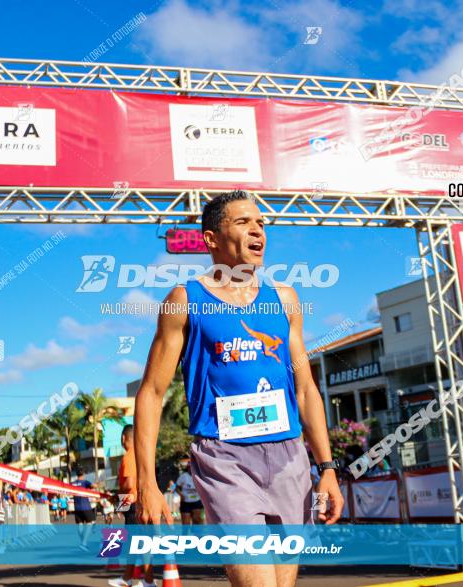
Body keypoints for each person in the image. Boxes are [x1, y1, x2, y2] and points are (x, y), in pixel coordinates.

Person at [134, 190, 344, 587]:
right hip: (223, 458)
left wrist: (327, 467)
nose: (257, 230)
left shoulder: (284, 299)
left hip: (287, 456)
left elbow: (305, 389)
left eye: (261, 223)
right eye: (243, 222)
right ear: (211, 239)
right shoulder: (185, 300)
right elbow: (152, 393)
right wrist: (148, 482)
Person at [109, 424, 155, 587]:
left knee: (135, 544)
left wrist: (117, 498)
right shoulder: (140, 455)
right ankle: (137, 580)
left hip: (133, 506)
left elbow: (128, 485)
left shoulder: (128, 456)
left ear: (123, 438)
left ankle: (138, 580)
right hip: (142, 504)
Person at [71, 470, 96, 551]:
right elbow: (93, 486)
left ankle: (83, 542)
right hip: (86, 506)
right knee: (90, 523)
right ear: (84, 474)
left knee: (80, 524)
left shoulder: (72, 483)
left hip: (77, 507)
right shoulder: (85, 482)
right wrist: (97, 484)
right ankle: (84, 543)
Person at [174, 457, 204, 524]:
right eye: (189, 467)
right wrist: (181, 495)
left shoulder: (199, 476)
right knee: (186, 523)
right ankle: (185, 534)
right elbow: (176, 487)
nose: (191, 468)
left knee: (197, 520)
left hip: (196, 501)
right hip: (186, 502)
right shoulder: (183, 476)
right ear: (188, 467)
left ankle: (197, 533)